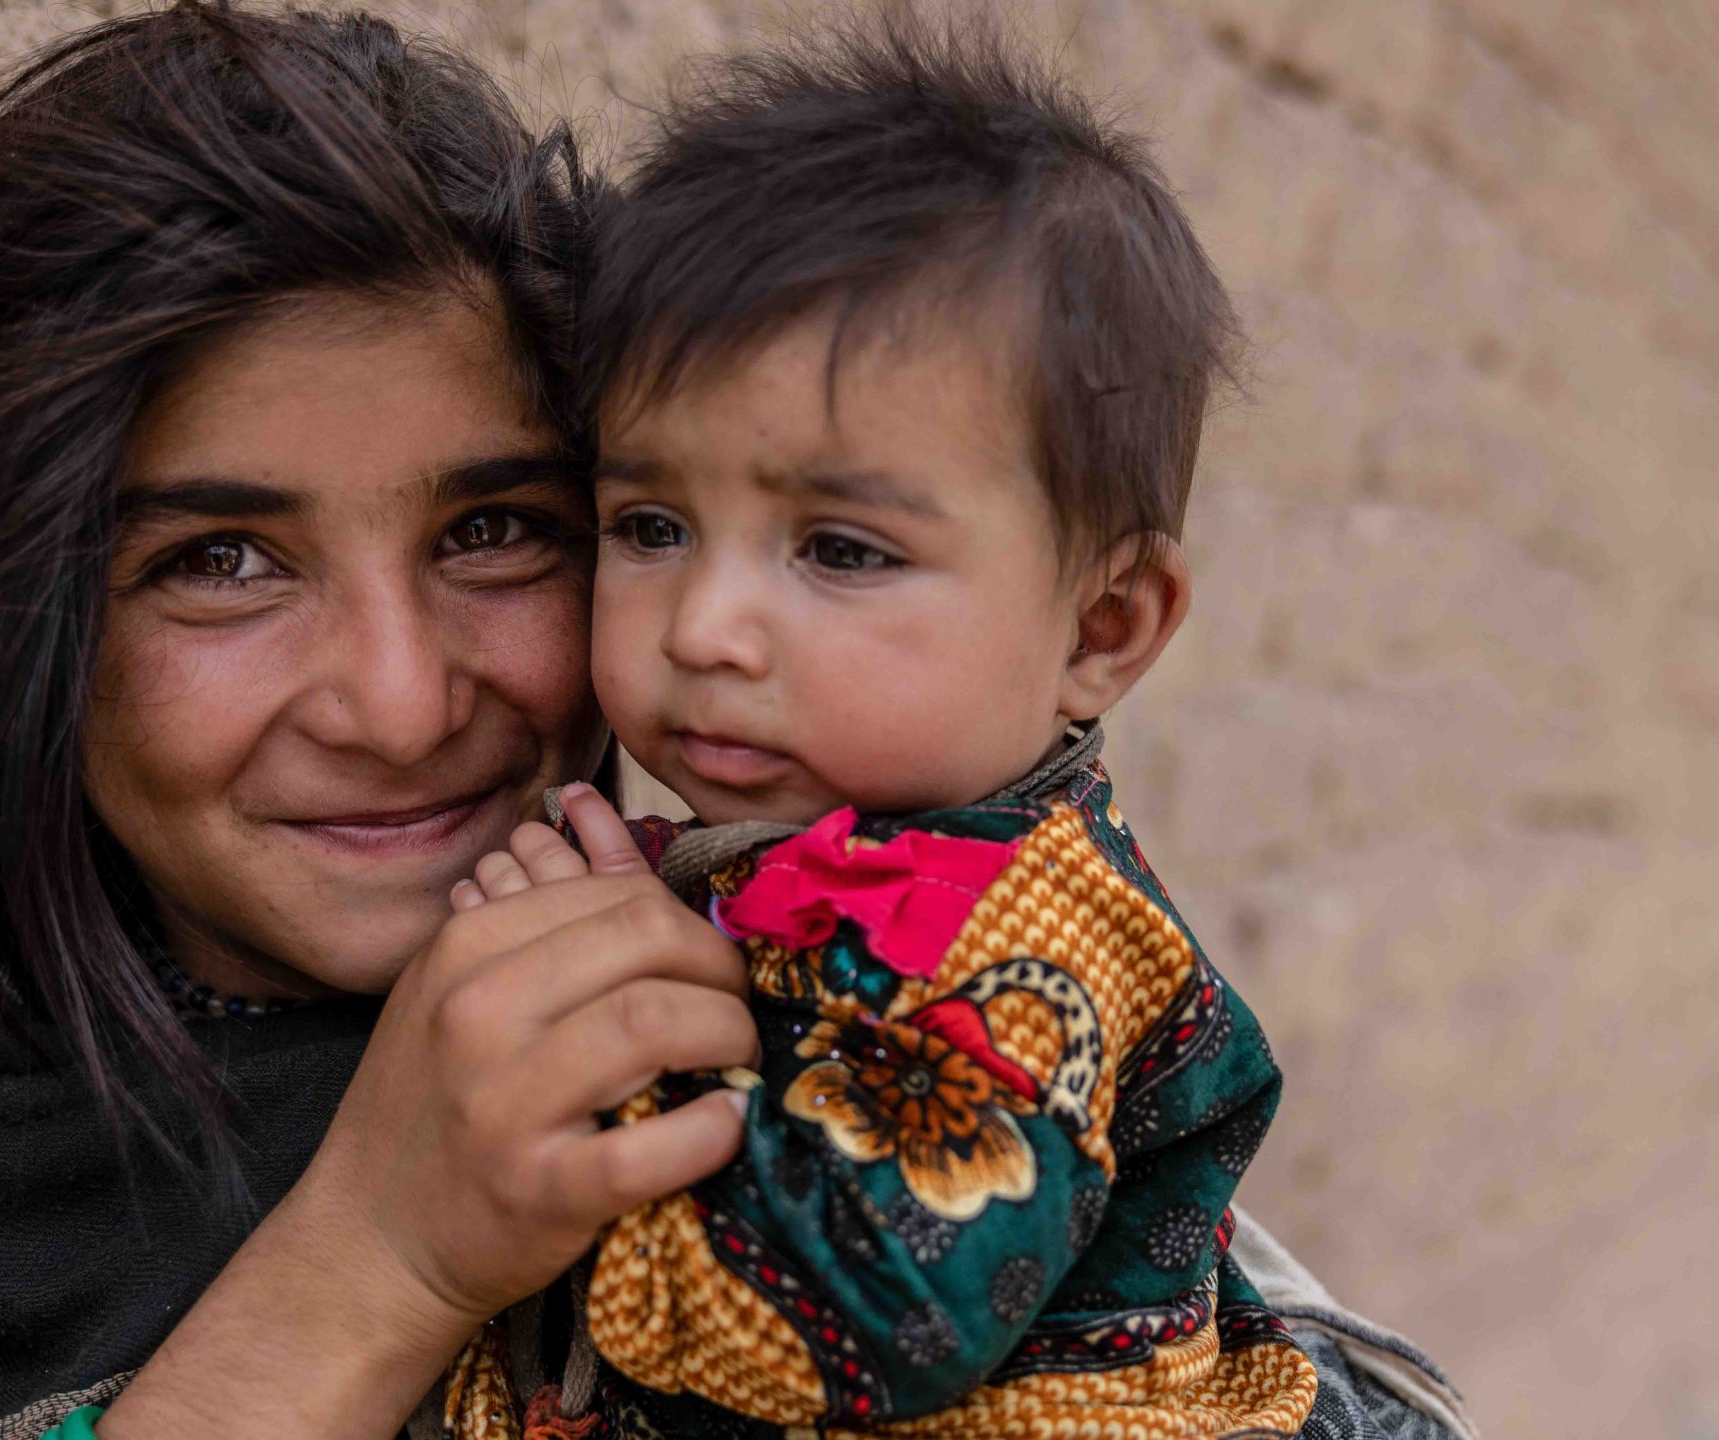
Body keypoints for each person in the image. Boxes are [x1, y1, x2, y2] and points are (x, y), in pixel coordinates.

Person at [0, 6, 1478, 1440]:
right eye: (219, 564)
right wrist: (382, 1261)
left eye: (502, 531)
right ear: (11, 617)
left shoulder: (862, 999)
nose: (408, 703)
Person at [436, 18, 1315, 1439]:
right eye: (650, 525)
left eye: (841, 551)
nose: (704, 628)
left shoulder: (1028, 945)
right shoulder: (797, 856)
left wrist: (627, 1043)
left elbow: (851, 1321)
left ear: (1102, 628)